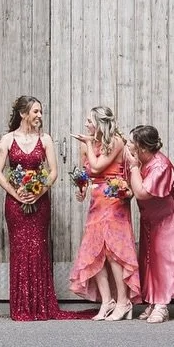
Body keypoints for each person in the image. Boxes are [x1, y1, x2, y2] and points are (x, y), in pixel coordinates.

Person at [0, 95, 92, 321]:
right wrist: (16, 192)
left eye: (40, 112)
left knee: (38, 250)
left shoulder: (45, 139)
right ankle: (21, 307)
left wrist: (38, 192)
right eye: (35, 111)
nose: (39, 116)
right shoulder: (7, 139)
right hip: (15, 204)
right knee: (19, 250)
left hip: (40, 201)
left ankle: (41, 306)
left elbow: (53, 171)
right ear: (23, 113)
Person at [68, 106, 140, 320]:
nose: (86, 125)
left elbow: (98, 166)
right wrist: (81, 189)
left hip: (114, 198)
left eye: (89, 121)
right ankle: (107, 301)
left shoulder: (116, 141)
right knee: (95, 251)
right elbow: (88, 173)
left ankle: (123, 301)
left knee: (113, 251)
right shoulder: (88, 144)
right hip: (96, 201)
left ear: (100, 123)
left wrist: (88, 144)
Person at [124, 124, 174, 323]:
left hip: (167, 218)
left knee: (164, 261)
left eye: (132, 142)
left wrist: (133, 167)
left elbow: (142, 192)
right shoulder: (142, 160)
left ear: (142, 146)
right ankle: (152, 300)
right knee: (149, 260)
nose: (129, 145)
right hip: (150, 219)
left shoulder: (160, 165)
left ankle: (162, 304)